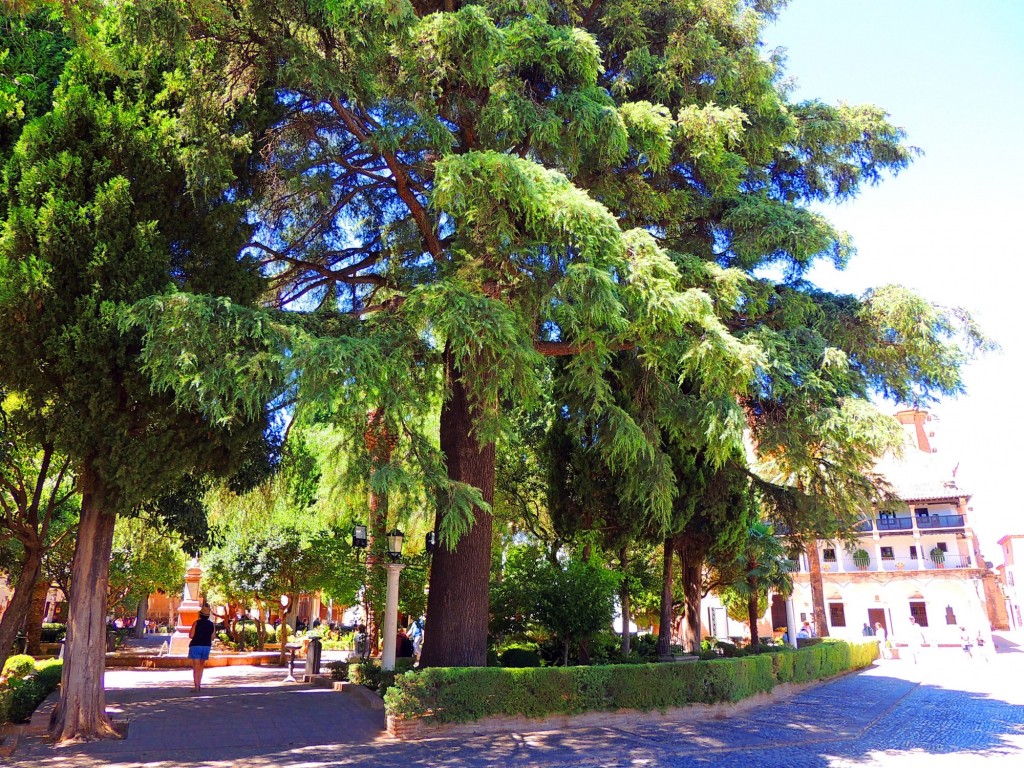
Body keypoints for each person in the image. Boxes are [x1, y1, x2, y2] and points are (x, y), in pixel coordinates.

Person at [188, 604, 215, 691]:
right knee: (201, 666)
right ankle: (199, 684)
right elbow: (213, 637)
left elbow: (191, 635)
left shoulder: (196, 623)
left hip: (196, 645)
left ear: (200, 614)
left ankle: (196, 686)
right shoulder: (212, 625)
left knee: (196, 666)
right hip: (206, 646)